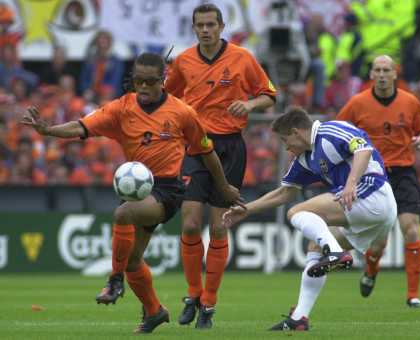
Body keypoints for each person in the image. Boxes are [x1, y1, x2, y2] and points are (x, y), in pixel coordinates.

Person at [21, 52, 242, 334]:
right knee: (134, 261)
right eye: (139, 81)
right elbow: (82, 126)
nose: (144, 87)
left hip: (167, 189)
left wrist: (222, 186)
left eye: (150, 82)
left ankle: (114, 280)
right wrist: (49, 130)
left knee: (123, 214)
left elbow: (206, 152)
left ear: (162, 81)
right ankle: (154, 312)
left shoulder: (182, 112)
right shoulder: (121, 108)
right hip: (138, 192)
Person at [223, 107, 397, 331]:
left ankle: (335, 253)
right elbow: (285, 192)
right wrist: (246, 210)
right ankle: (300, 318)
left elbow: (363, 151)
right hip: (368, 210)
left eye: (286, 140)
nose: (286, 147)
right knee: (315, 244)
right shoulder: (305, 158)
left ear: (297, 132)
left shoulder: (332, 131)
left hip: (374, 193)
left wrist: (351, 184)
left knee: (295, 213)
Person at [164, 3, 276, 329]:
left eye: (211, 24)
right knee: (188, 222)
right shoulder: (184, 61)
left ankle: (209, 305)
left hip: (230, 148)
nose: (205, 30)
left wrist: (251, 103)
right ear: (194, 28)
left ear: (222, 25)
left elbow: (269, 94)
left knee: (218, 226)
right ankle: (193, 294)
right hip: (197, 145)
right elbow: (167, 98)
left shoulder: (242, 58)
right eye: (200, 25)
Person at [336, 55, 420, 307]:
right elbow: (338, 131)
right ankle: (371, 269)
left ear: (394, 74)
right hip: (372, 176)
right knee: (378, 244)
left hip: (403, 172)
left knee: (411, 227)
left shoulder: (410, 102)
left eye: (386, 70)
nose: (381, 74)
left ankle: (413, 295)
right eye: (377, 70)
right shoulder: (357, 103)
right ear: (371, 75)